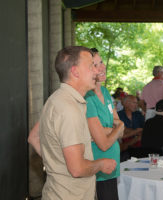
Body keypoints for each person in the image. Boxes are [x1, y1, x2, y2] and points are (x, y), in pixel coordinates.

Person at [37, 46, 117, 200]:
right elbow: (77, 169)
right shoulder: (68, 108)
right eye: (91, 66)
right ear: (75, 72)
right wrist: (101, 164)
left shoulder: (60, 99)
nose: (96, 71)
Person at [85, 48, 124, 200]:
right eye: (95, 65)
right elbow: (104, 142)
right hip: (98, 166)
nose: (102, 67)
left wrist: (105, 130)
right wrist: (117, 127)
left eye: (101, 62)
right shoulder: (88, 97)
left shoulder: (106, 92)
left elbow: (119, 125)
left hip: (112, 166)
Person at [118, 95, 145, 160]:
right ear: (126, 103)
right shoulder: (118, 115)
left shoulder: (138, 114)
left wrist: (135, 131)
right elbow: (121, 132)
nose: (136, 105)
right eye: (134, 103)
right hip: (124, 145)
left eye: (137, 103)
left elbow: (143, 129)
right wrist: (136, 131)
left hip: (139, 145)